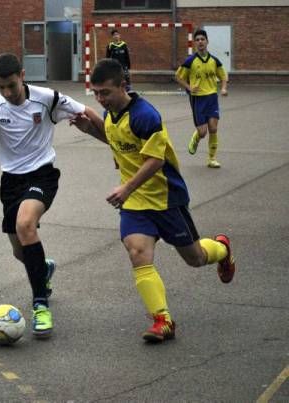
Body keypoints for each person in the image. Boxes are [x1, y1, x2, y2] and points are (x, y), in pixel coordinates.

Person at [70, 58, 236, 343]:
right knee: (137, 252)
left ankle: (221, 248)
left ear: (123, 86)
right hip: (136, 204)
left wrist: (127, 188)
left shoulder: (146, 115)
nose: (100, 98)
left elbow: (155, 160)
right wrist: (91, 130)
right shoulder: (111, 115)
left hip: (165, 198)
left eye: (105, 92)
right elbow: (120, 142)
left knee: (195, 258)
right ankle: (162, 320)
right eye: (96, 93)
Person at [0, 53, 91, 338]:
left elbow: (86, 112)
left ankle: (41, 305)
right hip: (10, 182)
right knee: (20, 250)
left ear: (22, 76)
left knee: (26, 224)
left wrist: (115, 144)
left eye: (11, 85)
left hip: (42, 175)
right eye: (1, 87)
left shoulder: (46, 98)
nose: (7, 93)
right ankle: (43, 267)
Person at [175, 29, 228, 168]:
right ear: (194, 43)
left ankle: (212, 159)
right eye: (197, 40)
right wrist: (189, 87)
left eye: (202, 39)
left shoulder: (214, 61)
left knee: (213, 128)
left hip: (212, 98)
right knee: (203, 132)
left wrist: (223, 88)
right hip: (198, 99)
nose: (200, 42)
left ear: (207, 42)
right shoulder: (190, 61)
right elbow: (178, 76)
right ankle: (196, 137)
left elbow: (223, 76)